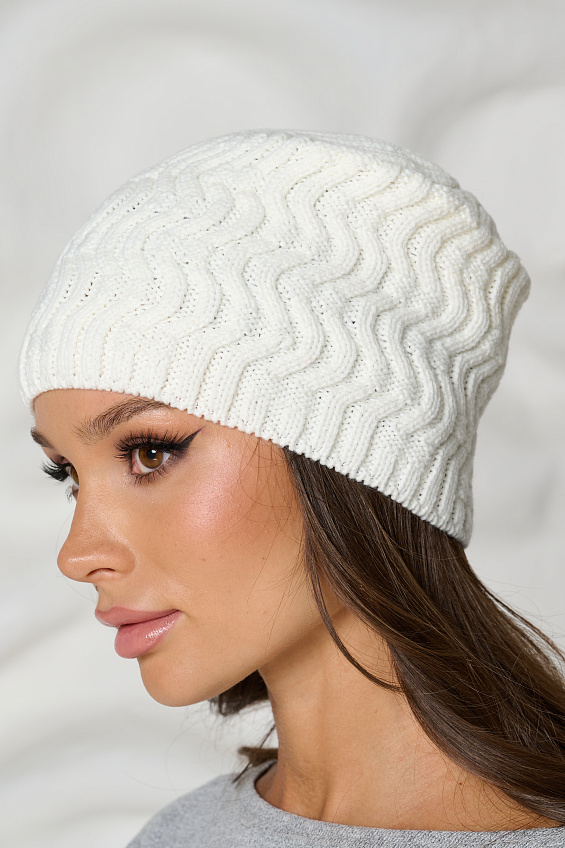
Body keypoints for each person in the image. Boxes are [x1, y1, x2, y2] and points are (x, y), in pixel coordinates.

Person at [18, 128, 565, 847]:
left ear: (353, 455)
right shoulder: (180, 836)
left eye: (150, 453)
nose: (77, 554)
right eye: (67, 474)